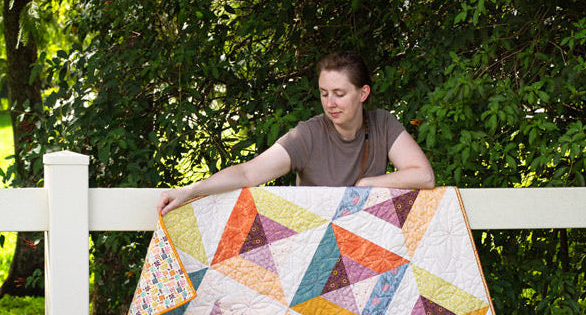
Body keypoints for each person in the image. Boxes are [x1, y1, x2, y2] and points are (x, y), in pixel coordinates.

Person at [158, 51, 434, 216]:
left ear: (363, 93)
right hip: (313, 250)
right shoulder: (308, 135)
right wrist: (191, 191)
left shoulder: (382, 124)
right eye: (324, 94)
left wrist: (367, 185)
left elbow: (424, 176)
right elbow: (247, 174)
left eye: (339, 94)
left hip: (367, 248)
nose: (330, 103)